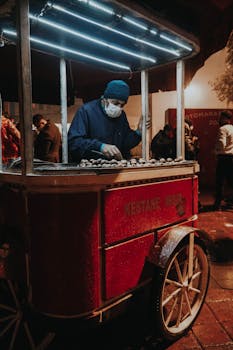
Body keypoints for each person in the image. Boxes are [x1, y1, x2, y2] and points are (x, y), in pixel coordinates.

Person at [68, 80, 142, 162]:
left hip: (112, 166)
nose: (118, 108)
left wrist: (138, 133)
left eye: (122, 105)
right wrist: (100, 146)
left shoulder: (121, 115)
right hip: (89, 167)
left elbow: (124, 144)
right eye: (115, 103)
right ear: (104, 99)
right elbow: (74, 142)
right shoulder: (86, 111)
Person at [213, 110, 233, 210]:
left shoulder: (222, 129)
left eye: (220, 117)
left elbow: (222, 144)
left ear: (225, 118)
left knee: (220, 182)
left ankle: (217, 204)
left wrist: (216, 151)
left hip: (224, 158)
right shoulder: (232, 128)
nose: (219, 119)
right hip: (232, 158)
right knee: (231, 181)